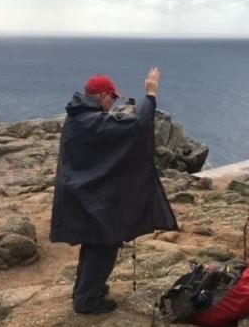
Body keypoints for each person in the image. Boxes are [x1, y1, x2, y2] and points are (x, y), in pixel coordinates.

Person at [50, 68, 178, 314]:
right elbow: (137, 125)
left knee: (94, 242)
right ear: (102, 96)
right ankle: (87, 300)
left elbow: (111, 133)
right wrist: (150, 95)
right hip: (87, 195)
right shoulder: (92, 121)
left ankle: (86, 290)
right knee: (105, 243)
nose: (113, 104)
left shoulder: (79, 117)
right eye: (113, 98)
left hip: (79, 192)